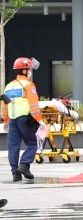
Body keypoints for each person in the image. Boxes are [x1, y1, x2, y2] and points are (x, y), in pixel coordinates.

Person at [2, 56, 44, 188]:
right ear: (25, 71)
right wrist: (40, 120)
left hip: (13, 120)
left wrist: (5, 120)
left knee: (13, 147)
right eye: (29, 69)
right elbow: (34, 105)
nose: (30, 71)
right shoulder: (28, 85)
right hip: (25, 120)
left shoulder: (8, 86)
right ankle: (24, 165)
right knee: (32, 144)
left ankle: (16, 173)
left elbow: (4, 105)